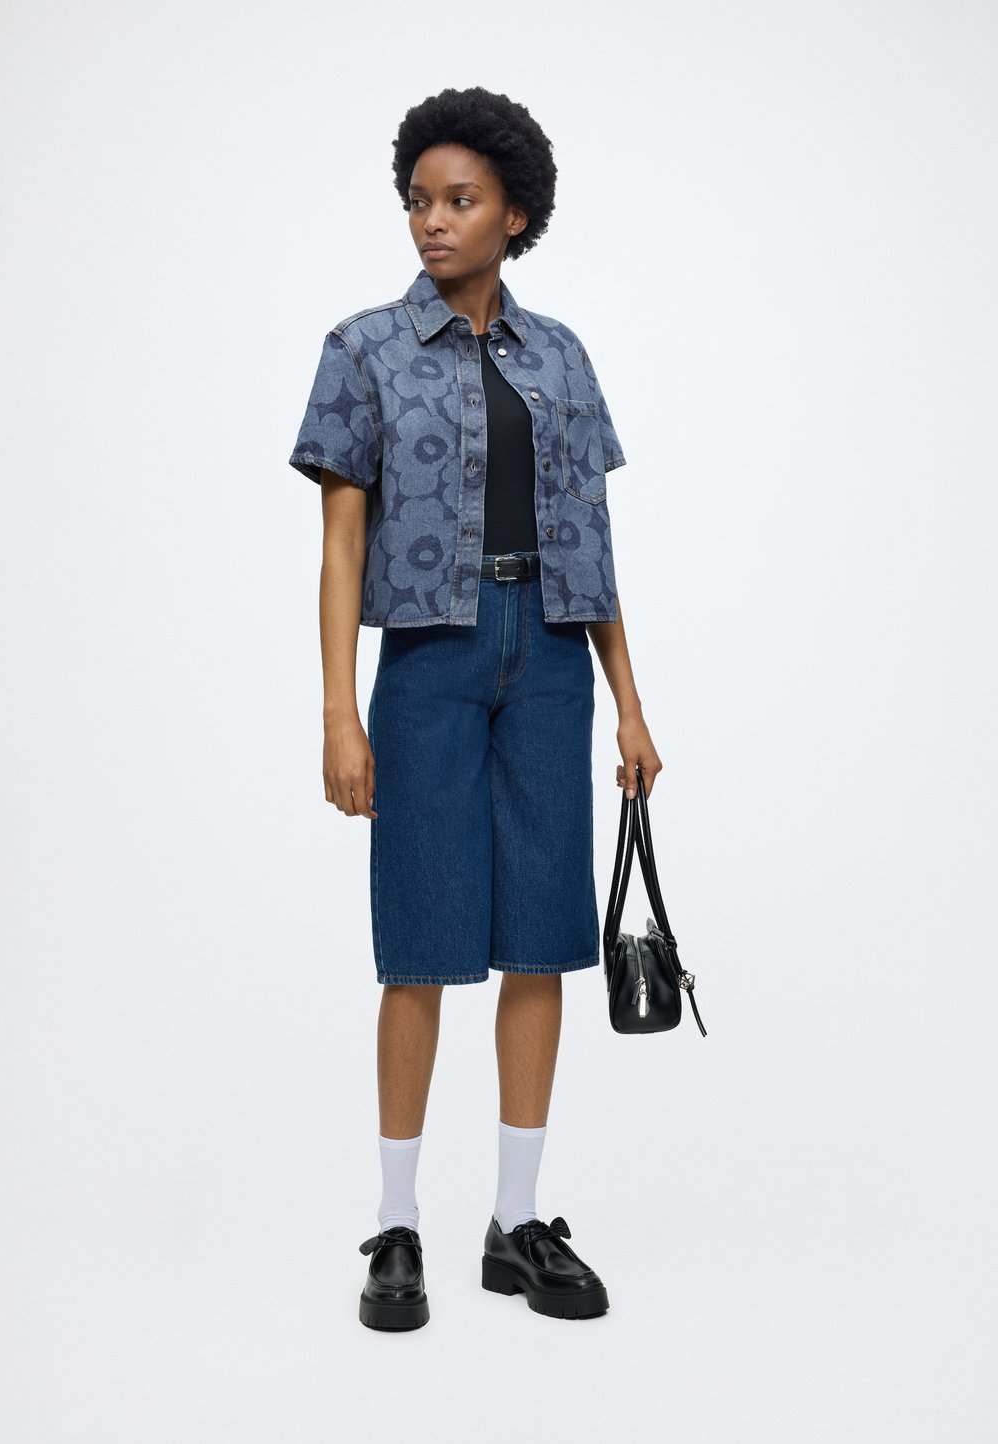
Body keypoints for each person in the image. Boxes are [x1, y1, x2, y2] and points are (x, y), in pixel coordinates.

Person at [288, 86, 662, 1331]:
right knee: (422, 941)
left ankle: (515, 1222)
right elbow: (341, 547)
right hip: (431, 661)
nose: (432, 221)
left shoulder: (560, 355)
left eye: (460, 200)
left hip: (550, 656)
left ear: (514, 215)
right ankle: (397, 1226)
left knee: (539, 938)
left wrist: (629, 703)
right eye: (419, 200)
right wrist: (339, 714)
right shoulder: (363, 350)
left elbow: (592, 539)